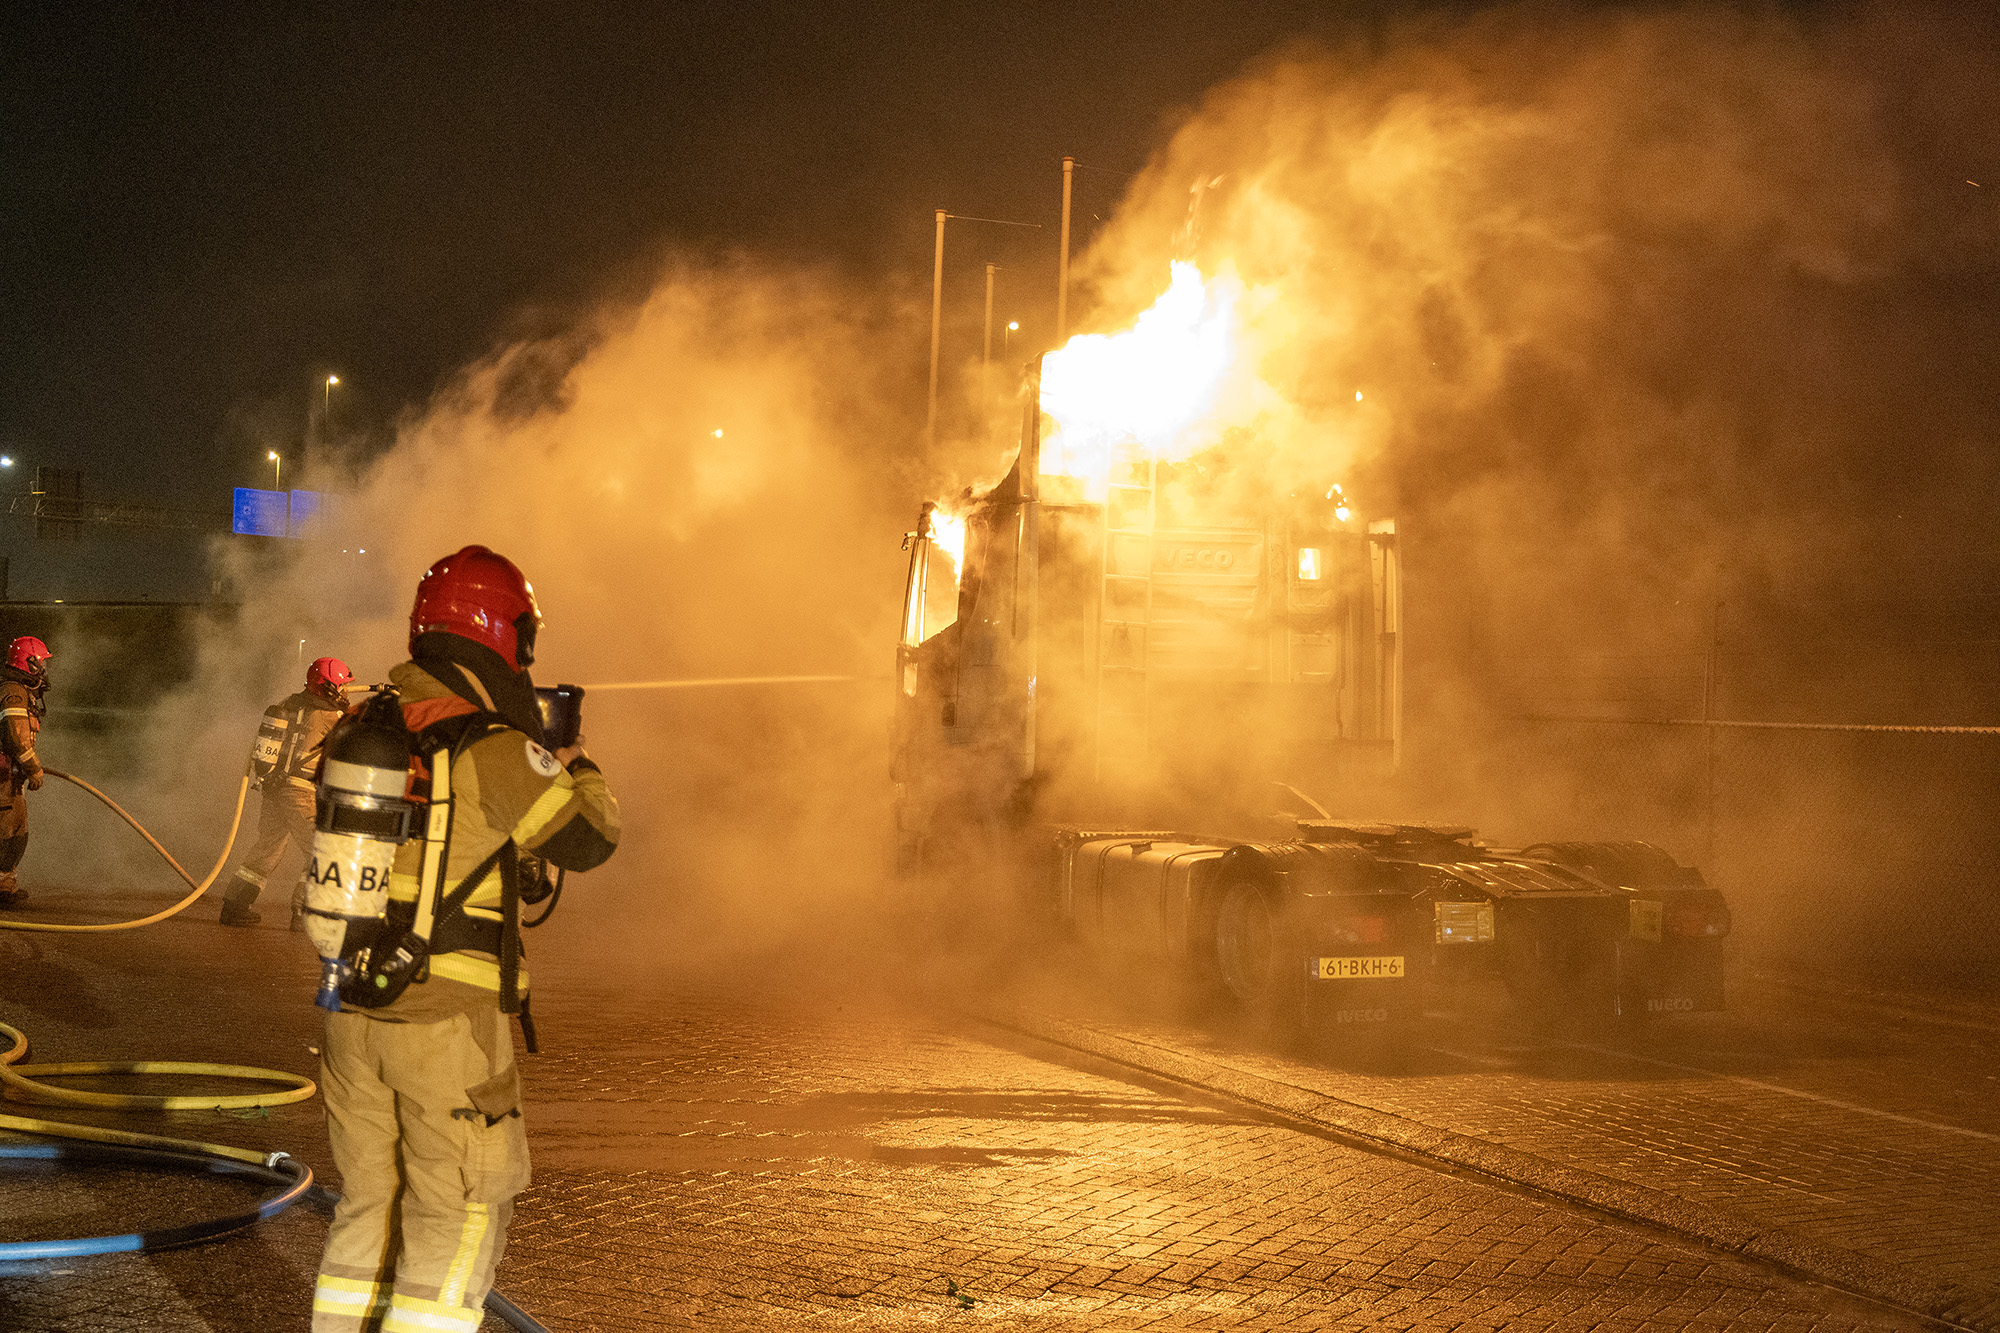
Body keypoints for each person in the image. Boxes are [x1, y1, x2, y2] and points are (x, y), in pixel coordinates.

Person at [312, 546, 619, 1333]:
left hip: (349, 1012)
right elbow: (588, 838)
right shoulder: (487, 744)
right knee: (459, 1218)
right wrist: (577, 765)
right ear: (494, 632)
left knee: (366, 1211)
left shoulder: (367, 724)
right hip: (445, 1030)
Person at [221, 655, 355, 928]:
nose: (344, 691)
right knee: (323, 850)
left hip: (274, 787)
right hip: (300, 791)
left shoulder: (287, 704)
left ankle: (234, 906)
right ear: (329, 686)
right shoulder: (331, 716)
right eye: (341, 686)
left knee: (267, 847)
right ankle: (304, 912)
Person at [0, 636, 53, 909]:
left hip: (10, 778)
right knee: (5, 834)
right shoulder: (14, 692)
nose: (43, 668)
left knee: (15, 833)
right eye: (41, 662)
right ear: (29, 662)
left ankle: (5, 886)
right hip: (3, 779)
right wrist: (34, 768)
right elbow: (14, 737)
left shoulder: (19, 690)